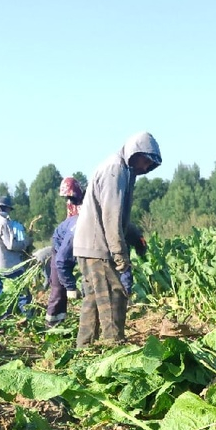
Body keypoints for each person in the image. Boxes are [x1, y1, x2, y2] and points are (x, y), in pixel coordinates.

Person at [72, 132, 162, 347]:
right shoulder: (116, 169)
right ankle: (114, 348)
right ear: (135, 153)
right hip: (98, 247)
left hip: (89, 246)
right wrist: (121, 256)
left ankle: (84, 349)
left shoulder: (120, 169)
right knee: (114, 297)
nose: (145, 168)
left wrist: (135, 235)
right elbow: (111, 217)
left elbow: (118, 217)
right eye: (145, 162)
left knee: (94, 299)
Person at [0, 194, 31, 309]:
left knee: (0, 295)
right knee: (22, 293)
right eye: (8, 209)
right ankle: (27, 317)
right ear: (3, 208)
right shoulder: (2, 221)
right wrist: (26, 242)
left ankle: (1, 320)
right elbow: (11, 244)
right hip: (9, 266)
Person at [47, 177, 84, 327]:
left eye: (70, 196)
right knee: (58, 289)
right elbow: (61, 260)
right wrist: (70, 286)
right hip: (62, 246)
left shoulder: (85, 204)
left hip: (79, 243)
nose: (68, 201)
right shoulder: (73, 211)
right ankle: (52, 326)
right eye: (66, 197)